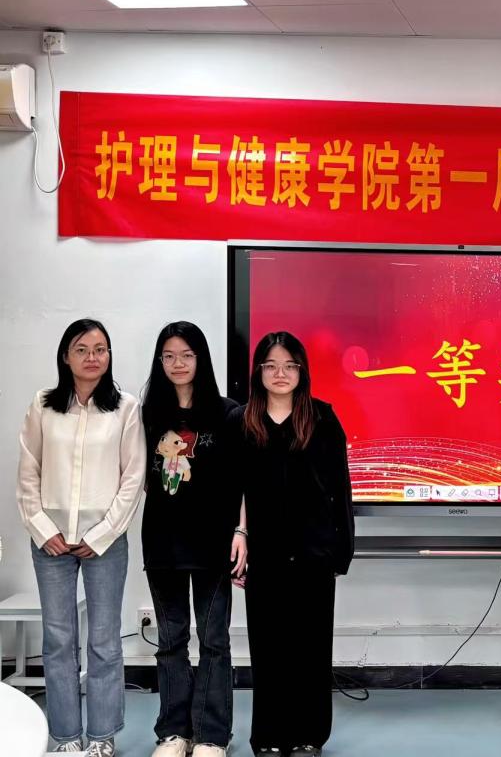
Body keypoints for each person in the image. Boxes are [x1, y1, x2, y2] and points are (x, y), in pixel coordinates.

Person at [16, 318, 146, 757]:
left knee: (104, 641)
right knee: (58, 640)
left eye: (100, 349)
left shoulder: (125, 408)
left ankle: (102, 737)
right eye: (82, 349)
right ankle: (66, 736)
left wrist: (103, 534)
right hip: (50, 542)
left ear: (109, 356)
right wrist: (43, 530)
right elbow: (28, 473)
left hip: (104, 543)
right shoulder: (43, 405)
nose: (92, 357)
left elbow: (133, 478)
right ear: (65, 356)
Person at [231, 331, 355, 757]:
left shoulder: (322, 418)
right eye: (271, 365)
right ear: (258, 372)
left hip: (313, 553)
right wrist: (239, 536)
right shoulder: (242, 421)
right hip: (264, 553)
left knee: (310, 649)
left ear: (302, 371)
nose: (280, 373)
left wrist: (340, 550)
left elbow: (340, 488)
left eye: (289, 365)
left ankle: (308, 736)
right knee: (268, 648)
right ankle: (268, 737)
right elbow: (235, 490)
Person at [141, 322, 248, 757]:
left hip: (212, 543)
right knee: (170, 642)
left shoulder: (228, 413)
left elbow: (244, 481)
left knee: (213, 641)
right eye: (169, 356)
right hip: (162, 543)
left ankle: (211, 735)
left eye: (186, 355)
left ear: (200, 359)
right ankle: (174, 733)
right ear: (160, 361)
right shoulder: (149, 414)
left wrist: (241, 531)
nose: (178, 363)